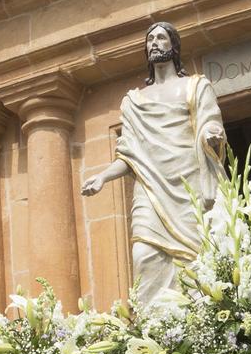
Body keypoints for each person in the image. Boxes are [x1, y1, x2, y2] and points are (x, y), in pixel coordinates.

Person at [81, 20, 227, 308]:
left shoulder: (196, 86)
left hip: (190, 186)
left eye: (161, 38)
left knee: (198, 259)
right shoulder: (133, 102)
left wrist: (211, 135)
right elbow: (129, 155)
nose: (154, 43)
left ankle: (200, 320)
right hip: (150, 187)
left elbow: (210, 122)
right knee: (144, 255)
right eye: (150, 40)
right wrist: (103, 177)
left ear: (173, 46)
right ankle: (156, 327)